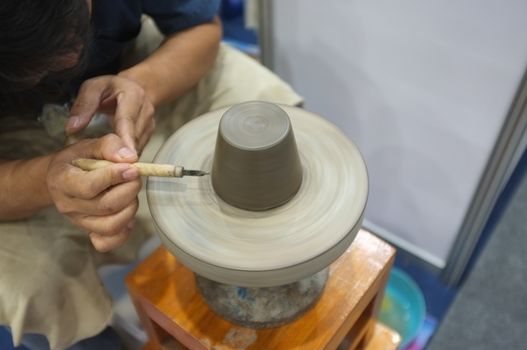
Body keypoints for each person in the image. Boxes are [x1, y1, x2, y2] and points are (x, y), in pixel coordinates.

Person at [0, 1, 302, 349]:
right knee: (33, 292)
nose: (70, 61)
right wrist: (47, 181)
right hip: (14, 139)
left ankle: (261, 263)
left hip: (128, 67)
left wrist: (143, 84)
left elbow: (203, 29)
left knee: (267, 109)